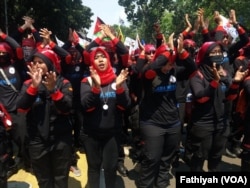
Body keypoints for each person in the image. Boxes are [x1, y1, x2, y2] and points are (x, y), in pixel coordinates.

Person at [135, 32, 197, 187]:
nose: (169, 65)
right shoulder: (149, 73)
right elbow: (148, 68)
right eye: (166, 62)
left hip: (173, 124)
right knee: (152, 160)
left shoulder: (174, 72)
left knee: (165, 161)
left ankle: (161, 184)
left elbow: (192, 67)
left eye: (172, 62)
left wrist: (181, 51)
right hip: (152, 124)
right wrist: (168, 50)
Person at [17, 49, 73, 188]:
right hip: (37, 141)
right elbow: (21, 108)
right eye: (34, 62)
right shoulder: (27, 84)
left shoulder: (64, 83)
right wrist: (33, 88)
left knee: (61, 178)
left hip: (60, 139)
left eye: (41, 62)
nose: (36, 65)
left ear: (50, 64)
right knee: (44, 180)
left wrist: (54, 90)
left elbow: (67, 108)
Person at [188, 41, 248, 172]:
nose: (217, 54)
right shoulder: (197, 74)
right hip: (204, 123)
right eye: (213, 52)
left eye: (219, 52)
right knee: (199, 157)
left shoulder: (225, 73)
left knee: (216, 158)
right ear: (205, 54)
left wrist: (236, 82)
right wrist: (214, 82)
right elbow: (201, 98)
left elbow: (229, 98)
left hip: (222, 122)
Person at [80, 46, 130, 188]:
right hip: (91, 134)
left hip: (112, 134)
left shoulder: (118, 79)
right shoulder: (87, 82)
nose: (100, 60)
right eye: (96, 57)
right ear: (92, 62)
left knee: (110, 168)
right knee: (94, 168)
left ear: (108, 60)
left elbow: (125, 106)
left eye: (103, 57)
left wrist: (119, 88)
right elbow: (86, 106)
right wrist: (96, 87)